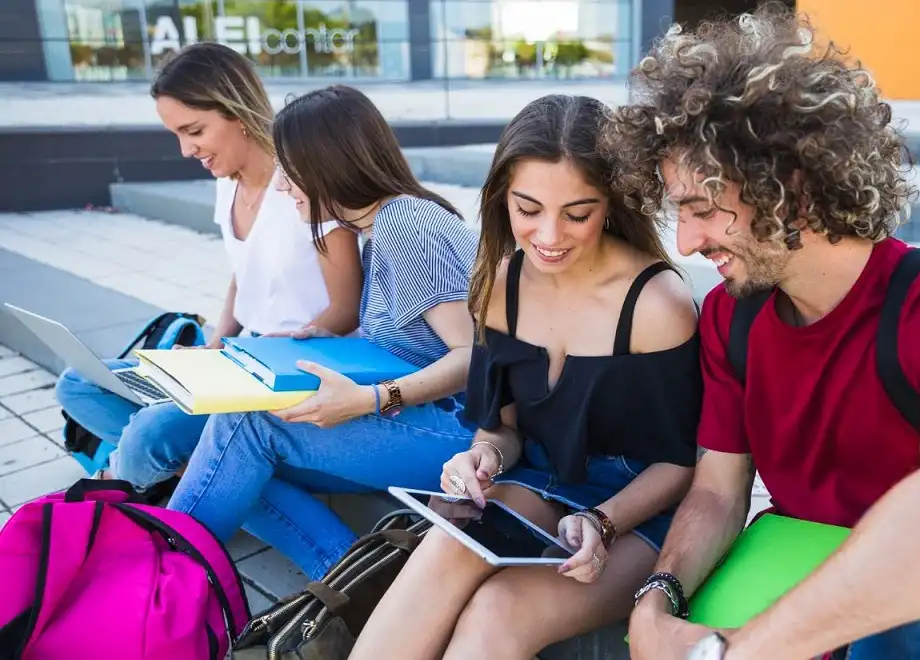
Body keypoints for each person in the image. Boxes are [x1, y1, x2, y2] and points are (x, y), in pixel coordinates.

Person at [602, 5, 920, 659]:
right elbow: (719, 491)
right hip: (796, 563)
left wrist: (742, 650)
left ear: (792, 191)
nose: (688, 242)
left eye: (703, 211)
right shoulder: (733, 316)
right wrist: (657, 597)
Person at [349, 94, 703, 660]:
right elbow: (502, 428)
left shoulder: (656, 304)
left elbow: (682, 465)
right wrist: (480, 457)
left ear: (609, 203)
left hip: (636, 511)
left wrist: (602, 521)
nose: (549, 235)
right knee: (447, 547)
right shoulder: (501, 285)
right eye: (528, 208)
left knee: (498, 612)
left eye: (577, 213)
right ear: (501, 199)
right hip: (542, 482)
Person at [165, 85, 479, 579]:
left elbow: (473, 356)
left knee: (248, 422)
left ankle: (160, 580)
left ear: (327, 165)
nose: (284, 188)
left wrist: (371, 399)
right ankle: (351, 577)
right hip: (420, 419)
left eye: (291, 172)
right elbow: (413, 342)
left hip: (463, 437)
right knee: (234, 462)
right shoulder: (379, 227)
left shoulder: (406, 225)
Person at [53, 42, 362, 494]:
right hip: (240, 359)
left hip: (294, 371)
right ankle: (192, 466)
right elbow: (244, 273)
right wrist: (218, 344)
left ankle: (127, 477)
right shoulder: (227, 185)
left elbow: (348, 307)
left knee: (150, 434)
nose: (185, 150)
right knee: (78, 385)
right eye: (176, 134)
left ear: (235, 111)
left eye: (193, 130)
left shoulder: (305, 183)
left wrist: (263, 357)